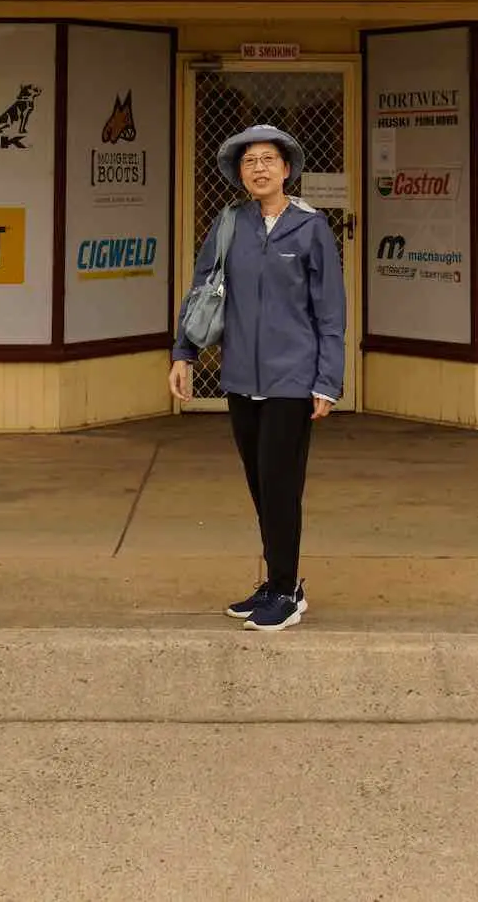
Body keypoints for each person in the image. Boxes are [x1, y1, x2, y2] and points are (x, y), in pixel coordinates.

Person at [171, 124, 345, 632]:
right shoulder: (229, 224)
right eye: (250, 162)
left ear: (287, 169)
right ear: (240, 172)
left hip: (293, 379)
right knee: (259, 483)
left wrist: (327, 380)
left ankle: (288, 593)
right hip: (241, 377)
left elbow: (330, 310)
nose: (260, 168)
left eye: (269, 159)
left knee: (280, 483)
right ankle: (274, 582)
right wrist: (184, 351)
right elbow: (203, 288)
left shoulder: (311, 228)